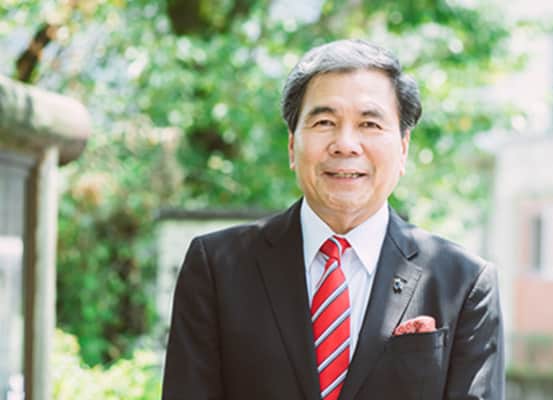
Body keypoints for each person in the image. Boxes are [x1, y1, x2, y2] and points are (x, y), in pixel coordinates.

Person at [162, 39, 504, 400]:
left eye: (369, 124)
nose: (345, 144)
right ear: (292, 145)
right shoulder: (217, 267)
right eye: (325, 122)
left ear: (403, 148)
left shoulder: (464, 283)